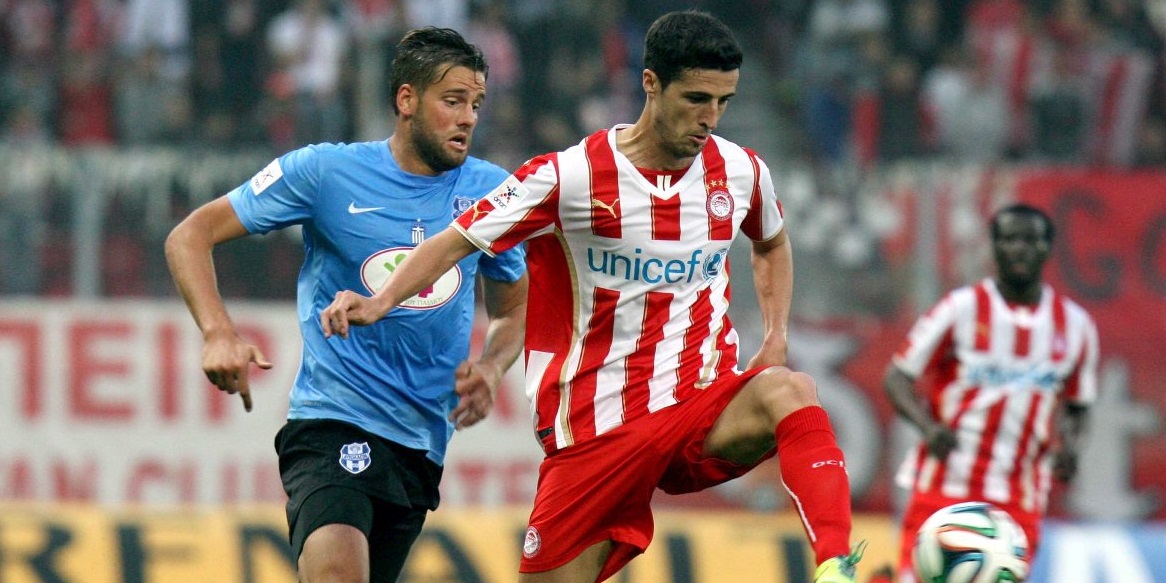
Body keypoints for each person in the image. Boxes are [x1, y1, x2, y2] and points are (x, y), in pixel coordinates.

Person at [321, 10, 864, 583]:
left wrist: (775, 336)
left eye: (722, 102)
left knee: (790, 389)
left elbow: (771, 243)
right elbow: (457, 239)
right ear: (650, 83)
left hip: (698, 403)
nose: (710, 118)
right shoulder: (569, 177)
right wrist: (380, 301)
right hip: (596, 431)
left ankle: (835, 563)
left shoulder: (741, 172)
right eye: (696, 98)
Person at [164, 27, 528, 583]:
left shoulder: (494, 192)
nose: (468, 119)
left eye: (476, 105)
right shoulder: (325, 172)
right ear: (406, 100)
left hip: (422, 441)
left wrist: (492, 366)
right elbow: (190, 235)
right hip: (333, 419)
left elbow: (512, 310)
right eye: (453, 101)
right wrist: (218, 332)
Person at [881, 203, 1099, 582]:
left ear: (1048, 248)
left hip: (1019, 496)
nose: (1020, 249)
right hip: (945, 485)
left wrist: (1071, 447)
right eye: (1009, 239)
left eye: (1031, 240)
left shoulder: (1076, 326)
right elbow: (897, 377)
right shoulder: (960, 309)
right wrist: (928, 427)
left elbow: (1079, 404)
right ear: (994, 246)